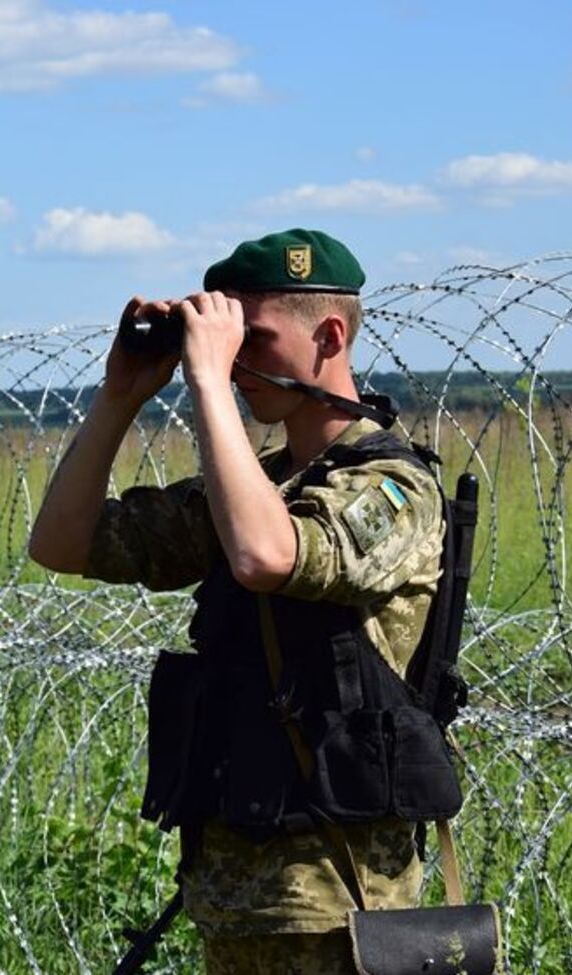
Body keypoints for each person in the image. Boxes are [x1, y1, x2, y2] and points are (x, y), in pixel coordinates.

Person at [28, 229, 446, 974]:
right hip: (236, 891)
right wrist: (120, 395)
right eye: (226, 341)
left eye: (253, 338)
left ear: (330, 335)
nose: (234, 358)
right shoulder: (255, 485)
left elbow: (266, 554)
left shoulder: (395, 486)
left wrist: (211, 385)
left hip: (342, 907)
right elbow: (62, 543)